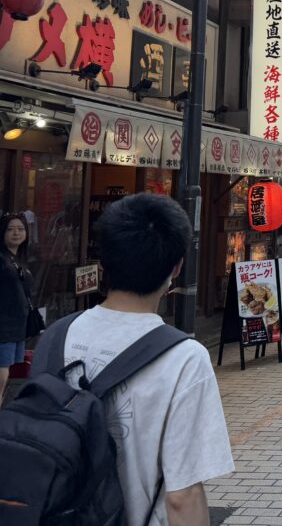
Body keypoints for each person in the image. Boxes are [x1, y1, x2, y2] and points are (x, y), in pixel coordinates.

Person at [62, 194, 235, 525]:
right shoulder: (184, 358)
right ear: (177, 268)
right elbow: (183, 496)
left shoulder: (57, 336)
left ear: (103, 261)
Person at [0, 213, 31, 402]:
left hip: (16, 327)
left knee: (6, 375)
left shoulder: (18, 259)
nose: (16, 233)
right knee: (2, 375)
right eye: (10, 229)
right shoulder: (2, 259)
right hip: (3, 326)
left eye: (20, 229)